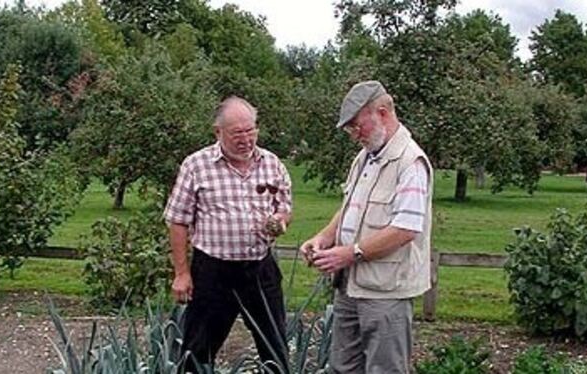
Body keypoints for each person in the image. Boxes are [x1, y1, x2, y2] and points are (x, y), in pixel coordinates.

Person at [300, 80, 433, 374]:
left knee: (385, 369)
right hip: (350, 286)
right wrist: (323, 238)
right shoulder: (365, 157)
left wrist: (350, 253)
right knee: (343, 368)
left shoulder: (410, 161)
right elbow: (350, 210)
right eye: (349, 129)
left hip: (386, 293)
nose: (354, 135)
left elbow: (406, 229)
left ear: (382, 112)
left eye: (356, 126)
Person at [163, 96, 292, 373]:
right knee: (197, 352)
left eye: (251, 130)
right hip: (213, 272)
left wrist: (279, 222)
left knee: (275, 349)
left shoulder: (272, 163)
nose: (246, 139)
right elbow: (177, 220)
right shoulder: (196, 165)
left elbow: (284, 210)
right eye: (238, 133)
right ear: (218, 132)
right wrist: (182, 273)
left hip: (260, 269)